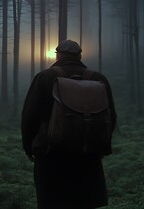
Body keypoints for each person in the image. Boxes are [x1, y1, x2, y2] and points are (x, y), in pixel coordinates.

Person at [21, 39, 117, 209]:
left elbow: (30, 117)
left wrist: (29, 148)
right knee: (85, 203)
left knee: (53, 202)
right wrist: (98, 144)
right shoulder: (98, 79)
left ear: (57, 56)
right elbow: (111, 117)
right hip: (88, 155)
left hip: (51, 155)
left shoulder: (44, 77)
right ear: (80, 56)